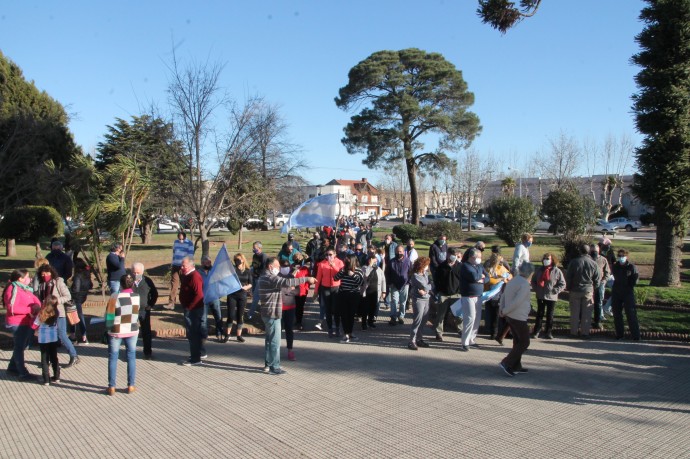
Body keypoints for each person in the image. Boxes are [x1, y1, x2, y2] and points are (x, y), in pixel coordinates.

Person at [258, 257, 315, 375]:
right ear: (270, 267)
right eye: (277, 266)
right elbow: (287, 282)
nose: (279, 268)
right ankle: (275, 367)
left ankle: (268, 364)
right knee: (275, 341)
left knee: (269, 340)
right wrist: (307, 279)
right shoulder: (270, 278)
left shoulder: (263, 277)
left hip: (267, 313)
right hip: (272, 314)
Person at [34, 264, 79, 367]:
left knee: (62, 334)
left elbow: (67, 296)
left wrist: (56, 301)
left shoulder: (58, 281)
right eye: (43, 273)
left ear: (52, 272)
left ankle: (74, 355)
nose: (45, 275)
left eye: (47, 273)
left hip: (58, 312)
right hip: (46, 314)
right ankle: (48, 359)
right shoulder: (42, 285)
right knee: (49, 336)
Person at [105, 274, 140, 395]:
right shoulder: (136, 296)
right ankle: (131, 385)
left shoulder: (115, 296)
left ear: (120, 284)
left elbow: (109, 315)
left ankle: (112, 386)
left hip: (116, 330)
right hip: (132, 329)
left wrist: (108, 329)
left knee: (113, 357)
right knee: (131, 356)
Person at [4, 269, 42, 380]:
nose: (29, 279)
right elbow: (12, 308)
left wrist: (37, 305)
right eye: (27, 277)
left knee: (21, 345)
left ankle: (12, 367)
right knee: (19, 347)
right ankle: (22, 373)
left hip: (25, 321)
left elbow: (34, 299)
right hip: (17, 323)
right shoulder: (13, 289)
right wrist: (30, 309)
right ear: (20, 278)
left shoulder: (24, 288)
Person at [498, 263, 535, 377]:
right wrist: (505, 311)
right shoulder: (524, 284)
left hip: (511, 315)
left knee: (517, 341)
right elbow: (517, 301)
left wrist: (502, 309)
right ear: (530, 273)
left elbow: (503, 295)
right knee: (525, 341)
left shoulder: (514, 280)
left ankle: (516, 366)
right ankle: (507, 362)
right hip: (518, 316)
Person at [565, 244, 601, 339]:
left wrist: (569, 287)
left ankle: (573, 332)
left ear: (580, 251)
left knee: (574, 313)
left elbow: (568, 277)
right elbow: (597, 279)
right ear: (589, 252)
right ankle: (585, 333)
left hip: (575, 290)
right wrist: (594, 288)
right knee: (587, 313)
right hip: (588, 290)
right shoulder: (593, 263)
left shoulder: (574, 262)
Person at [530, 252, 566, 339]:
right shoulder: (539, 270)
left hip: (551, 296)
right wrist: (536, 289)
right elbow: (533, 281)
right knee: (540, 314)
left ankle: (548, 332)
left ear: (552, 260)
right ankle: (536, 331)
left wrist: (555, 290)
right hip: (541, 295)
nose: (546, 260)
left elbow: (562, 283)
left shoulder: (557, 271)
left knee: (550, 315)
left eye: (548, 259)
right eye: (545, 259)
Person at [459, 248, 488, 352]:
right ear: (472, 257)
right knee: (470, 318)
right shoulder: (465, 266)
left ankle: (472, 339)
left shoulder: (480, 265)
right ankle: (465, 342)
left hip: (479, 296)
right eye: (478, 257)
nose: (480, 259)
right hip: (468, 296)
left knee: (477, 319)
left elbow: (487, 277)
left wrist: (482, 278)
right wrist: (481, 277)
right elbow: (473, 277)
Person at [179, 257, 205, 366]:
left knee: (193, 334)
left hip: (194, 310)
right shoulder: (187, 275)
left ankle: (195, 358)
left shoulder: (195, 276)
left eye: (183, 266)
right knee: (191, 334)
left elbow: (199, 295)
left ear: (190, 265)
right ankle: (195, 354)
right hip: (189, 309)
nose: (181, 267)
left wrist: (190, 307)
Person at [610, 249, 641, 341]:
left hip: (627, 292)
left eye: (622, 256)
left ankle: (636, 335)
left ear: (626, 257)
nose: (621, 257)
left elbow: (635, 278)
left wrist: (630, 285)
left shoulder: (631, 267)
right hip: (617, 291)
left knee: (631, 314)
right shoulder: (615, 266)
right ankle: (619, 334)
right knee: (617, 314)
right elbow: (614, 276)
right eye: (619, 256)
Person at [433, 247, 462, 341]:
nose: (453, 257)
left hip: (456, 294)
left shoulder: (460, 266)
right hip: (443, 294)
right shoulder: (441, 266)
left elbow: (462, 280)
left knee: (458, 315)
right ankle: (439, 333)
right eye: (451, 254)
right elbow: (436, 280)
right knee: (440, 315)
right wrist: (438, 291)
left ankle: (461, 331)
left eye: (455, 255)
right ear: (448, 255)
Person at [334, 255, 365, 343]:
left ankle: (350, 333)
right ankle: (345, 334)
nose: (345, 260)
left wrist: (353, 275)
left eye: (347, 259)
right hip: (343, 294)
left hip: (354, 295)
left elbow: (361, 283)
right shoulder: (343, 270)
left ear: (352, 261)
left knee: (351, 315)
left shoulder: (358, 270)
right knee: (344, 315)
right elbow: (335, 278)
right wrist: (342, 271)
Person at [314, 248, 345, 335]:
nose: (328, 256)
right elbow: (318, 278)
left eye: (330, 255)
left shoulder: (339, 262)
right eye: (327, 255)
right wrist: (315, 291)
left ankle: (337, 328)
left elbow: (341, 274)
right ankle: (330, 328)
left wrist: (333, 265)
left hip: (336, 287)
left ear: (335, 254)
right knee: (327, 309)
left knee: (336, 309)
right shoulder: (322, 263)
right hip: (325, 288)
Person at [131, 262, 158, 359]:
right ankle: (130, 353)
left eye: (138, 272)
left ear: (142, 272)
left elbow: (154, 293)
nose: (135, 275)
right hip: (131, 310)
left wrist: (150, 305)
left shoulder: (147, 281)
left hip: (144, 310)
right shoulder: (129, 280)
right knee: (131, 332)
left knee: (146, 332)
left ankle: (147, 353)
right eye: (133, 272)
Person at [483, 252, 512, 340]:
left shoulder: (502, 268)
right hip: (491, 294)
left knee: (503, 313)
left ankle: (504, 332)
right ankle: (493, 333)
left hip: (502, 294)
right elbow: (489, 281)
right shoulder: (488, 269)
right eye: (499, 260)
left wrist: (507, 277)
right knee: (494, 315)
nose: (501, 262)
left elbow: (510, 275)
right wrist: (500, 279)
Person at [226, 253, 252, 343]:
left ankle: (238, 335)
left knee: (240, 316)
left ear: (243, 259)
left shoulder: (248, 271)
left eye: (239, 259)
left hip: (242, 295)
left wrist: (246, 287)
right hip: (232, 295)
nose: (237, 261)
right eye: (235, 260)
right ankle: (227, 335)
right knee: (230, 315)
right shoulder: (233, 270)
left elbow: (250, 283)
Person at [34, 295, 60, 386]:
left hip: (43, 338)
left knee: (45, 358)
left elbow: (34, 325)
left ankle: (46, 379)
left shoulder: (41, 313)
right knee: (54, 357)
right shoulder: (57, 312)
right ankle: (56, 377)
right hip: (53, 337)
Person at [407, 257, 432, 350]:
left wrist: (427, 289)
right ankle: (412, 340)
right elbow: (425, 285)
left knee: (424, 320)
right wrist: (428, 288)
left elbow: (430, 285)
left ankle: (419, 338)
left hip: (426, 299)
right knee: (417, 320)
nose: (427, 267)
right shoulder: (416, 275)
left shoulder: (425, 274)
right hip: (418, 300)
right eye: (426, 265)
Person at [198, 255, 225, 341]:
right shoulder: (198, 272)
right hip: (203, 299)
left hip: (214, 297)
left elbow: (221, 283)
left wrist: (219, 294)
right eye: (207, 262)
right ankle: (204, 336)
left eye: (210, 262)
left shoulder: (214, 271)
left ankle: (219, 333)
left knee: (218, 317)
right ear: (202, 263)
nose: (209, 264)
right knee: (203, 319)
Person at [167, 231, 195, 309]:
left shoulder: (189, 243)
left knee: (185, 284)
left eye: (181, 237)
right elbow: (174, 253)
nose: (180, 238)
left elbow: (190, 255)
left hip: (184, 267)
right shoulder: (176, 242)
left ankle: (186, 302)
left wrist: (188, 266)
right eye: (179, 237)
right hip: (175, 266)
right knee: (174, 284)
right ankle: (171, 303)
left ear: (184, 236)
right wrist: (172, 262)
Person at [279, 260, 299, 359]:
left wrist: (288, 291)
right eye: (283, 266)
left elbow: (297, 290)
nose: (285, 267)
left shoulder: (292, 277)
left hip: (290, 307)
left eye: (287, 266)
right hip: (279, 307)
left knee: (289, 329)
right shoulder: (277, 277)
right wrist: (289, 289)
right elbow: (279, 291)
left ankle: (290, 350)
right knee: (278, 330)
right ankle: (275, 351)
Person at [69, 258, 92, 344]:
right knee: (77, 315)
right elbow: (90, 285)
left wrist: (70, 291)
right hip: (83, 296)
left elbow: (76, 289)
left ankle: (79, 336)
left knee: (75, 315)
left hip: (76, 298)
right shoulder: (87, 274)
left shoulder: (78, 276)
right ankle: (81, 335)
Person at [388, 245, 411, 326]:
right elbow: (388, 273)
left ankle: (401, 316)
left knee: (403, 302)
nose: (399, 253)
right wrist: (390, 283)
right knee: (394, 301)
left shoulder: (408, 261)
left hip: (405, 285)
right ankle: (393, 317)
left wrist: (409, 282)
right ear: (395, 252)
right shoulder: (391, 262)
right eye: (397, 251)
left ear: (403, 252)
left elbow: (411, 272)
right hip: (394, 285)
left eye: (400, 251)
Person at [361, 254, 386, 329]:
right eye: (373, 260)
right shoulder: (364, 267)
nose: (375, 262)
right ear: (369, 260)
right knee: (365, 308)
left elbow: (383, 280)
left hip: (375, 291)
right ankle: (364, 323)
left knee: (373, 307)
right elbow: (366, 274)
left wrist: (383, 291)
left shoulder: (379, 269)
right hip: (366, 291)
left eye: (376, 261)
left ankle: (370, 321)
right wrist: (370, 265)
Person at [590, 244, 611, 330]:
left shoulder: (603, 260)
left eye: (595, 250)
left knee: (598, 302)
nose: (594, 252)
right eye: (592, 250)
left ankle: (597, 320)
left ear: (598, 250)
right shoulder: (588, 259)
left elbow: (607, 272)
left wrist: (604, 281)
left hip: (599, 284)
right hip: (589, 285)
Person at [248, 241, 270, 318]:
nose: (254, 250)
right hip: (255, 277)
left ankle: (250, 314)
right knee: (255, 295)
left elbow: (265, 269)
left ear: (260, 248)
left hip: (261, 278)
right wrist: (251, 270)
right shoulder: (254, 256)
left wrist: (259, 275)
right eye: (253, 248)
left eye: (255, 248)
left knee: (256, 297)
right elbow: (254, 265)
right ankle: (262, 312)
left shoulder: (264, 256)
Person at [291, 253, 310, 330]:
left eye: (299, 259)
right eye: (296, 259)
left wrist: (306, 289)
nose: (297, 261)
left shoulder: (305, 268)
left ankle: (299, 322)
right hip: (293, 290)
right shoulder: (291, 268)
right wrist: (294, 271)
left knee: (300, 307)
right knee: (294, 306)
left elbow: (308, 280)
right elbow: (289, 278)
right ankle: (294, 320)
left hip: (302, 291)